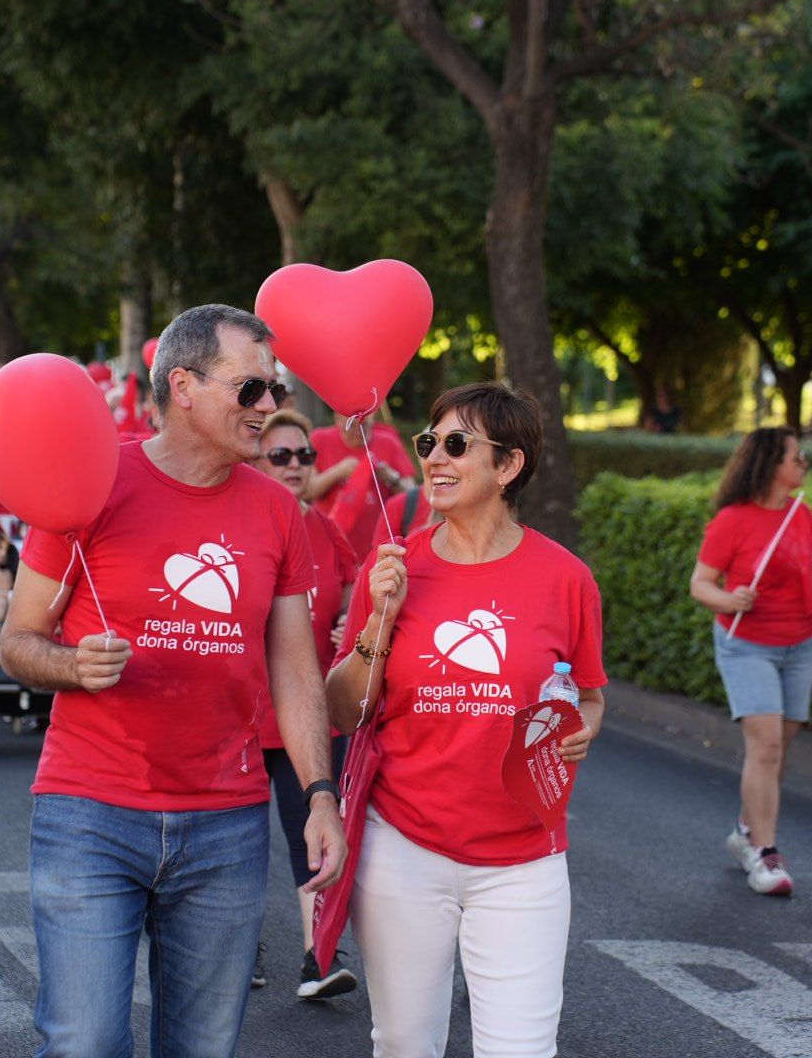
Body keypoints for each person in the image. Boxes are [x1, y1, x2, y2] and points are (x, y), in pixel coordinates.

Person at [0, 304, 346, 1058]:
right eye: (251, 389)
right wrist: (72, 664)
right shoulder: (88, 483)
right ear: (183, 386)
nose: (270, 408)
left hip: (226, 822)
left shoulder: (278, 513)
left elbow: (292, 668)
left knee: (201, 1050)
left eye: (275, 390)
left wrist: (321, 794)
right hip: (90, 813)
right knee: (83, 1043)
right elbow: (17, 642)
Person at [325, 381, 606, 1058]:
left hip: (523, 859)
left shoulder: (566, 578)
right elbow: (341, 708)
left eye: (457, 444)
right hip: (404, 848)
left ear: (508, 466)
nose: (435, 459)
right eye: (429, 443)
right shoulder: (393, 568)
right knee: (403, 1044)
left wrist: (584, 727)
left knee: (522, 1049)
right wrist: (379, 621)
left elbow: (589, 692)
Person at [689, 427, 812, 895]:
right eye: (797, 457)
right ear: (770, 464)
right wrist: (729, 598)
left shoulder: (801, 513)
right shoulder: (732, 520)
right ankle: (765, 854)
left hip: (803, 641)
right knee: (767, 747)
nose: (805, 463)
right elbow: (701, 584)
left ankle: (745, 832)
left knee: (779, 744)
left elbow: (806, 568)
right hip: (747, 644)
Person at [248, 408, 361, 999]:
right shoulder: (239, 519)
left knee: (311, 831)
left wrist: (351, 627)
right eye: (281, 456)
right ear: (255, 459)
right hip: (238, 716)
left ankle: (320, 957)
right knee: (234, 844)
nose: (296, 466)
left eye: (305, 456)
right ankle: (237, 951)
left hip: (303, 714)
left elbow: (352, 595)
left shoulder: (324, 526)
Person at [308, 415, 416, 550]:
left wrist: (391, 477)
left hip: (378, 544)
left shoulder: (388, 442)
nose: (358, 431)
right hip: (330, 543)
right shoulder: (319, 439)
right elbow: (308, 490)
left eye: (364, 425)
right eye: (351, 426)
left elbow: (413, 496)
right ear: (337, 419)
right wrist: (337, 472)